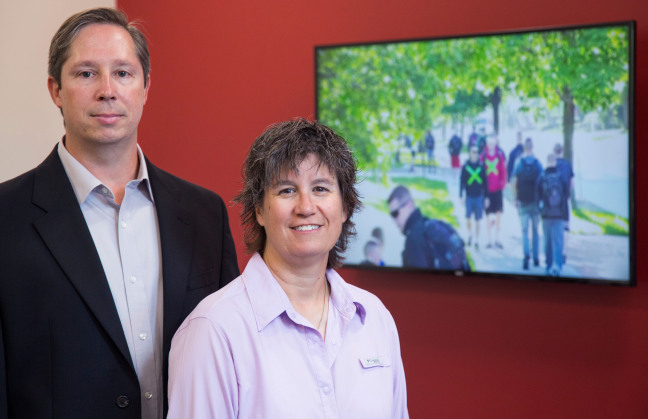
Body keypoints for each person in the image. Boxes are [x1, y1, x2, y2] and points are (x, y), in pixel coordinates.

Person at [0, 8, 239, 419]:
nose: (107, 90)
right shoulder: (6, 217)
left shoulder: (204, 214)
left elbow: (233, 359)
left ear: (145, 87)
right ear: (56, 90)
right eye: (87, 73)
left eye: (124, 73)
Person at [168, 119, 408, 418]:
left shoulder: (375, 318)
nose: (306, 207)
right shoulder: (214, 330)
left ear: (344, 208)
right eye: (286, 191)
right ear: (259, 210)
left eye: (320, 188)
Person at [387, 185, 470, 270]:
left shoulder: (414, 240)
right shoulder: (439, 226)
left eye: (395, 213)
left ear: (409, 205)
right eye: (391, 215)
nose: (394, 220)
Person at [511, 138, 543, 270]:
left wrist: (516, 198)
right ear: (533, 147)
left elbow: (513, 182)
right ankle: (536, 258)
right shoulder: (537, 163)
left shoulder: (519, 163)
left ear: (524, 148)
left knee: (525, 231)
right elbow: (543, 182)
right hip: (535, 203)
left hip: (523, 202)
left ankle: (526, 257)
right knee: (535, 231)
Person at [536, 153, 569, 276]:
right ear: (555, 162)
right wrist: (564, 214)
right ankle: (558, 266)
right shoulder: (561, 177)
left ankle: (548, 265)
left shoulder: (542, 177)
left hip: (546, 215)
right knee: (558, 241)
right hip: (559, 215)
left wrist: (541, 211)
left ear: (547, 161)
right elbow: (566, 196)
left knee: (547, 241)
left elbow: (537, 196)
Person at [459, 145, 489, 250]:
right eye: (473, 152)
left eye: (476, 152)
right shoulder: (465, 166)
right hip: (469, 196)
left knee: (477, 219)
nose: (475, 154)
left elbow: (485, 183)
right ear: (470, 153)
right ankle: (470, 234)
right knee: (468, 218)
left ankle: (476, 239)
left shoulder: (481, 167)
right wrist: (461, 195)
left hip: (479, 196)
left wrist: (486, 197)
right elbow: (462, 181)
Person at [480, 135, 507, 248]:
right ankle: (489, 239)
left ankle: (497, 238)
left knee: (498, 213)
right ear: (487, 144)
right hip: (487, 191)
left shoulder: (500, 156)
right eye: (489, 143)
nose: (491, 145)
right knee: (487, 215)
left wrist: (502, 184)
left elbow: (503, 172)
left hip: (497, 190)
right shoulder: (483, 156)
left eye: (493, 143)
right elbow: (481, 173)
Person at [553, 143, 574, 263]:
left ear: (554, 151)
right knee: (565, 227)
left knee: (554, 226)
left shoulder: (551, 164)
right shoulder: (567, 165)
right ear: (562, 151)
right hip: (564, 201)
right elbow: (571, 184)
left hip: (553, 203)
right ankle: (563, 252)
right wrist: (568, 196)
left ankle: (555, 251)